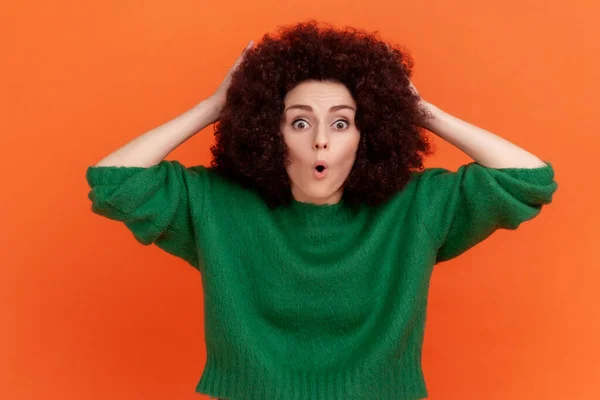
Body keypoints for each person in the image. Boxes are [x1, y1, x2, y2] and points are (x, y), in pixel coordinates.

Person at [85, 20, 558, 400]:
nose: (321, 139)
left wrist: (421, 111)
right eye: (299, 121)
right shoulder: (215, 204)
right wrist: (214, 106)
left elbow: (529, 181)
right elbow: (113, 183)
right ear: (269, 132)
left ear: (368, 134)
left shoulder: (417, 207)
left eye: (341, 122)